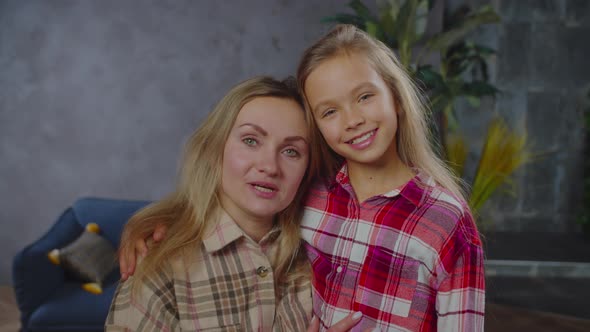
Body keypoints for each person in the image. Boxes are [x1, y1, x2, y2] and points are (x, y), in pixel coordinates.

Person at [120, 25, 485, 331]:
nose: (353, 119)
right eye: (329, 111)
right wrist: (152, 225)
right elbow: (226, 208)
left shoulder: (446, 222)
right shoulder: (313, 196)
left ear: (397, 98)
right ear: (320, 129)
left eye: (365, 97)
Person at [105, 76, 315, 331]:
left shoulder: (319, 255)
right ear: (215, 148)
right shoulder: (160, 263)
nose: (270, 166)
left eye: (291, 151)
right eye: (251, 140)